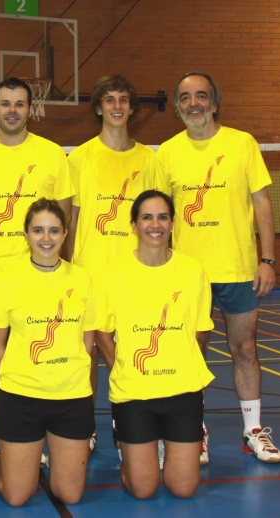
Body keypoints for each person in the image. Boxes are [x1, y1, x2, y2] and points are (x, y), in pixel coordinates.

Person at [156, 71, 280, 464]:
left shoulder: (243, 143)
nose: (193, 103)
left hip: (238, 269)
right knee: (192, 353)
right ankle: (194, 431)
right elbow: (158, 216)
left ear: (214, 102)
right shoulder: (166, 153)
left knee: (244, 348)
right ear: (177, 106)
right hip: (187, 274)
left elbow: (262, 202)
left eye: (201, 96)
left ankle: (253, 430)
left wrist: (267, 259)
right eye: (185, 97)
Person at [95, 190, 214, 499]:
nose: (155, 224)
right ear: (134, 225)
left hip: (182, 391)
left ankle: (164, 442)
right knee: (143, 488)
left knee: (183, 488)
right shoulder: (112, 275)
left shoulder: (193, 271)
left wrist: (194, 375)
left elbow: (201, 332)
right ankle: (129, 453)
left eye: (163, 217)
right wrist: (121, 370)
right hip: (134, 394)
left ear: (172, 223)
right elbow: (102, 334)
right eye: (146, 217)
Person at [65, 74, 160, 457]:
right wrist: (67, 268)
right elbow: (71, 218)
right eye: (110, 99)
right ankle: (85, 428)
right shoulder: (80, 158)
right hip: (89, 273)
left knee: (131, 354)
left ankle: (130, 426)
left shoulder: (149, 160)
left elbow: (158, 219)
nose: (117, 106)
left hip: (134, 275)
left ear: (132, 108)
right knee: (85, 355)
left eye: (123, 99)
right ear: (99, 108)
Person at [0, 199, 97, 507]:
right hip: (21, 396)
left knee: (69, 494)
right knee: (16, 496)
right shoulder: (6, 280)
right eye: (38, 230)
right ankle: (3, 458)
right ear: (25, 234)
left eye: (54, 231)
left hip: (71, 397)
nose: (46, 238)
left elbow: (87, 341)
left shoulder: (82, 279)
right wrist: (18, 375)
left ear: (65, 234)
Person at [0, 78, 73, 270]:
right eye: (5, 104)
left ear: (30, 109)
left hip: (39, 269)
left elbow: (64, 216)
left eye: (19, 104)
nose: (12, 110)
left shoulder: (53, 153)